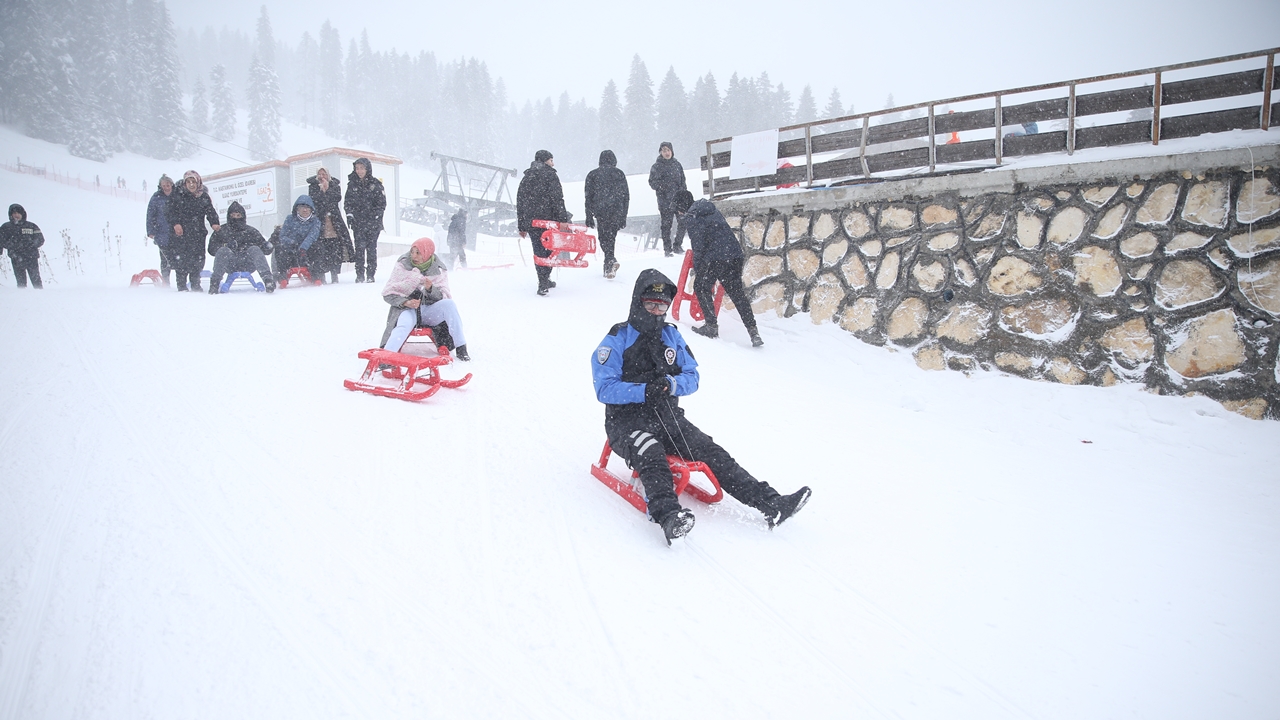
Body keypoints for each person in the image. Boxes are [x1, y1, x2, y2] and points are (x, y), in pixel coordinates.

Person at [591, 269, 811, 544]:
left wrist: (671, 385)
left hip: (668, 419)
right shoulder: (617, 339)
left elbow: (692, 376)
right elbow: (604, 388)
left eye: (662, 305)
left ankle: (771, 504)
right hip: (627, 423)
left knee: (712, 452)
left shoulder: (671, 336)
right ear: (638, 303)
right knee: (651, 452)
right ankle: (669, 515)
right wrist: (643, 391)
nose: (657, 310)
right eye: (650, 304)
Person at [672, 190, 763, 347]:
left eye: (679, 210)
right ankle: (753, 331)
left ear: (682, 206)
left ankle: (711, 326)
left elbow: (699, 247)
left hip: (715, 258)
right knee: (737, 294)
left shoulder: (692, 217)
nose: (679, 214)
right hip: (734, 254)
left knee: (700, 287)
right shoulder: (710, 209)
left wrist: (699, 269)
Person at [379, 237, 470, 361]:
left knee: (449, 305)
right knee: (403, 325)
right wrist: (406, 302)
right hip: (408, 310)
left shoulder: (438, 269)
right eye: (412, 252)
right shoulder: (403, 265)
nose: (414, 256)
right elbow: (388, 294)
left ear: (428, 253)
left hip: (429, 311)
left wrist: (431, 289)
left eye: (418, 253)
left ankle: (461, 348)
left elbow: (443, 295)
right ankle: (387, 356)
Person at [516, 149, 572, 296]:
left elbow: (520, 202)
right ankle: (544, 279)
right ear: (545, 160)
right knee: (550, 250)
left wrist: (522, 225)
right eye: (551, 160)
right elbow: (557, 198)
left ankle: (543, 280)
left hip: (533, 222)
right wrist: (562, 219)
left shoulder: (527, 177)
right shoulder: (550, 176)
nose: (553, 163)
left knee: (539, 250)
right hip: (549, 221)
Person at [206, 201, 276, 294]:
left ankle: (268, 280)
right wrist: (226, 246)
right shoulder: (222, 231)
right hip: (229, 264)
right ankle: (214, 283)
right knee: (223, 251)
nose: (235, 218)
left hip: (247, 263)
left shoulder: (251, 231)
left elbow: (264, 248)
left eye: (238, 215)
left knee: (254, 249)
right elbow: (211, 249)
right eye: (233, 215)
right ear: (229, 216)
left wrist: (268, 246)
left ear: (243, 216)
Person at [166, 170, 220, 292]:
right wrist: (176, 224)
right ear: (184, 183)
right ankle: (182, 285)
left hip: (198, 233)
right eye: (188, 182)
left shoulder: (203, 196)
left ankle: (195, 283)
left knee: (198, 259)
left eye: (193, 182)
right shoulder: (177, 195)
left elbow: (210, 211)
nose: (191, 185)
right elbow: (170, 211)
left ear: (198, 182)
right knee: (182, 260)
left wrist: (214, 223)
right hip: (181, 234)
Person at [584, 149, 629, 279]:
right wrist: (624, 215)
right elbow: (626, 196)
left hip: (601, 211)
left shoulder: (592, 175)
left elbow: (588, 197)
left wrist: (588, 215)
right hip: (616, 211)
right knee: (611, 237)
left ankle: (609, 261)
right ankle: (609, 263)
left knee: (603, 237)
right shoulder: (619, 174)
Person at [344, 157, 386, 283]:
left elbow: (382, 204)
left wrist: (376, 216)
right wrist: (350, 215)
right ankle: (360, 274)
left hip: (373, 224)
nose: (359, 171)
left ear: (367, 169)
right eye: (357, 168)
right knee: (359, 249)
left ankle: (371, 274)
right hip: (358, 224)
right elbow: (348, 203)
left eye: (362, 168)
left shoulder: (376, 184)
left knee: (371, 249)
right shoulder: (352, 184)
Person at [307, 167, 352, 283]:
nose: (322, 176)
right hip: (320, 222)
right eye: (320, 174)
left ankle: (334, 274)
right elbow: (315, 202)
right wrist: (321, 192)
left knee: (335, 251)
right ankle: (321, 275)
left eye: (324, 174)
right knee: (321, 251)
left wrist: (327, 190)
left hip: (334, 222)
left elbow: (336, 198)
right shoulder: (313, 187)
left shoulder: (335, 185)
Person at [648, 141, 688, 257]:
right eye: (664, 150)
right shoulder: (656, 166)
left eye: (668, 150)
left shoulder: (677, 165)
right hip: (664, 200)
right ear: (660, 152)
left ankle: (677, 245)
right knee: (666, 225)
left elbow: (683, 182)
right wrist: (663, 186)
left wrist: (684, 196)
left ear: (672, 151)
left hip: (678, 200)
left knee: (683, 222)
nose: (666, 152)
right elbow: (652, 182)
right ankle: (667, 249)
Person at [274, 195, 321, 278]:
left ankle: (316, 275)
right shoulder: (289, 219)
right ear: (297, 209)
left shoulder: (315, 221)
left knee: (318, 247)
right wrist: (292, 243)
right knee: (279, 248)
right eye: (302, 207)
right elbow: (282, 236)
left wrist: (303, 248)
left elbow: (313, 235)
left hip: (307, 252)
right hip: (291, 251)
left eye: (307, 207)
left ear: (311, 209)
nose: (305, 210)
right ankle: (282, 275)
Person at [0, 204, 45, 289]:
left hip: (31, 257)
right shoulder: (6, 227)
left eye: (18, 213)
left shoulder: (31, 226)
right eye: (14, 213)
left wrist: (30, 245)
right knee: (21, 282)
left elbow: (40, 239)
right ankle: (22, 297)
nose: (16, 215)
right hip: (16, 257)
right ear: (11, 214)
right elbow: (1, 241)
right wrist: (12, 245)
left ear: (23, 214)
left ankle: (40, 295)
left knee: (36, 280)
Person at [146, 174, 175, 284]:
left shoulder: (177, 195)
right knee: (165, 259)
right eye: (164, 185)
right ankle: (166, 281)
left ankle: (180, 281)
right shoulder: (156, 198)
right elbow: (150, 215)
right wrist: (150, 231)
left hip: (176, 232)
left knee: (178, 258)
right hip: (161, 232)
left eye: (168, 185)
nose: (166, 187)